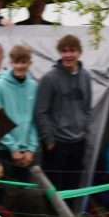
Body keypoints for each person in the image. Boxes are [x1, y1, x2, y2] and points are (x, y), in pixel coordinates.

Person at [34, 34, 93, 193]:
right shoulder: (49, 78)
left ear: (79, 52)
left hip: (78, 141)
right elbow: (40, 112)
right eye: (64, 51)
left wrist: (84, 131)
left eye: (72, 50)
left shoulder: (86, 77)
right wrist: (49, 140)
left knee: (73, 187)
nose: (68, 55)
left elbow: (87, 108)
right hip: (56, 143)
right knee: (54, 190)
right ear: (59, 53)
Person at [0, 44, 39, 171]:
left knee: (29, 190)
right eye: (16, 62)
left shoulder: (34, 86)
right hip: (5, 150)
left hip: (27, 153)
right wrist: (13, 148)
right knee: (7, 190)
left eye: (23, 62)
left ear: (29, 63)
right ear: (11, 62)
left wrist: (31, 149)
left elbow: (34, 120)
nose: (20, 66)